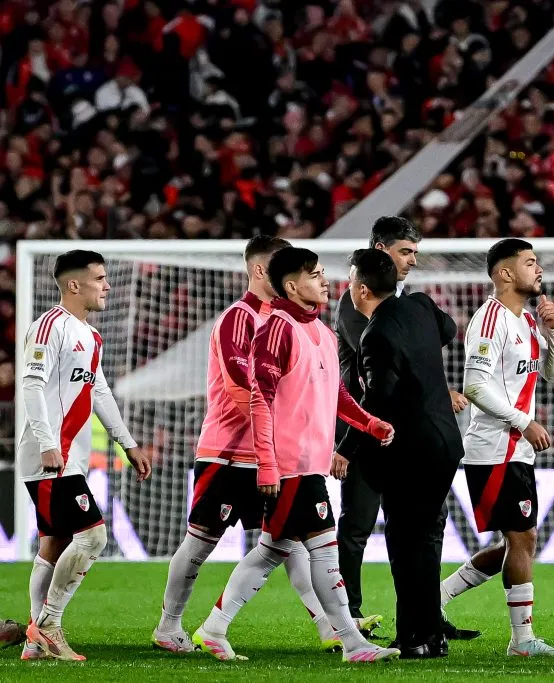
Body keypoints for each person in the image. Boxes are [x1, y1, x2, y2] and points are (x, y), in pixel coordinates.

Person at [191, 247, 399, 663]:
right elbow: (260, 400)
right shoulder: (275, 329)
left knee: (273, 549)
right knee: (322, 549)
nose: (325, 281)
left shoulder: (323, 333)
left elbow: (335, 393)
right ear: (291, 285)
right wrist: (267, 463)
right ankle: (353, 644)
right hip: (289, 465)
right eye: (316, 275)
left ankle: (213, 629)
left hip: (310, 462)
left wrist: (368, 422)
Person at [153, 236, 337, 654]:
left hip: (272, 455)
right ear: (260, 271)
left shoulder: (292, 324)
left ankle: (330, 625)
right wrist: (271, 434)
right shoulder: (240, 319)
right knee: (201, 543)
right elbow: (243, 388)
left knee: (288, 541)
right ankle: (169, 626)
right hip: (229, 452)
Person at [332, 216, 482, 640]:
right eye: (405, 252)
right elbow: (382, 365)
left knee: (418, 531)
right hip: (367, 428)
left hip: (407, 436)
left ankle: (425, 621)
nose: (413, 261)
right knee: (360, 524)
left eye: (415, 253)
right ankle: (350, 615)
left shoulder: (407, 302)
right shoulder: (355, 305)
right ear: (380, 250)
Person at [437, 239, 554, 657]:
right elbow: (474, 385)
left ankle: (432, 600)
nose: (539, 269)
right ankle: (523, 642)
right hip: (494, 449)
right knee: (523, 538)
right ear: (504, 273)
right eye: (530, 262)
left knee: (515, 542)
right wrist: (523, 421)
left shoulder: (527, 321)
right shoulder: (489, 320)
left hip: (516, 451)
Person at [19, 250, 152, 661]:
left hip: (67, 456)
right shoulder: (49, 326)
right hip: (49, 456)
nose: (107, 286)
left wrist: (126, 442)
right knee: (93, 536)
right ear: (73, 285)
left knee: (55, 544)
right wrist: (47, 443)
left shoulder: (90, 335)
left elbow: (98, 391)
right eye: (99, 278)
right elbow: (31, 384)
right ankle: (49, 626)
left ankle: (33, 643)